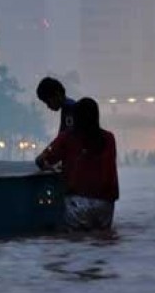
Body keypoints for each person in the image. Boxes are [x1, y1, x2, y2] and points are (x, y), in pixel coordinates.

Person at [35, 97, 119, 231]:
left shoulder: (66, 138)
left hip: (77, 202)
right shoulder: (109, 138)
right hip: (106, 204)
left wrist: (51, 167)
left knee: (76, 242)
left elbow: (42, 160)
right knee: (102, 242)